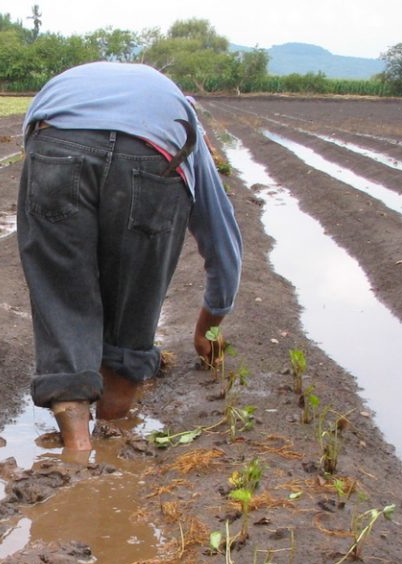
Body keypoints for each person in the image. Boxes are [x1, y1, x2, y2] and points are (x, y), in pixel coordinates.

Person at [17, 62, 242, 455]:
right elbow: (221, 238)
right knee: (133, 310)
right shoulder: (179, 114)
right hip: (155, 155)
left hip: (55, 144)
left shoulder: (69, 85)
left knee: (63, 295)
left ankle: (77, 449)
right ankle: (113, 441)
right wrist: (209, 327)